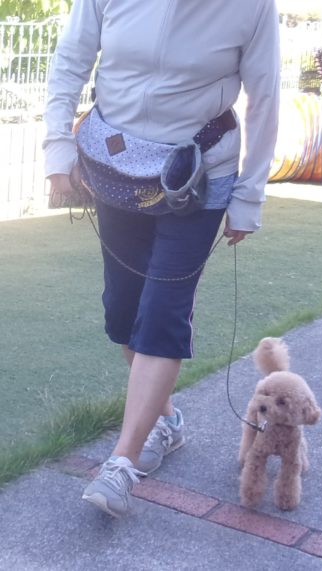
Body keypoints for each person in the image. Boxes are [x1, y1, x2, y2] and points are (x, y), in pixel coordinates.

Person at [43, 0, 280, 517]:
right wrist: (57, 147)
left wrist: (249, 196)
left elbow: (265, 98)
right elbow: (70, 61)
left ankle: (121, 465)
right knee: (123, 311)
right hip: (116, 166)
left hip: (199, 176)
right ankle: (165, 421)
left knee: (163, 312)